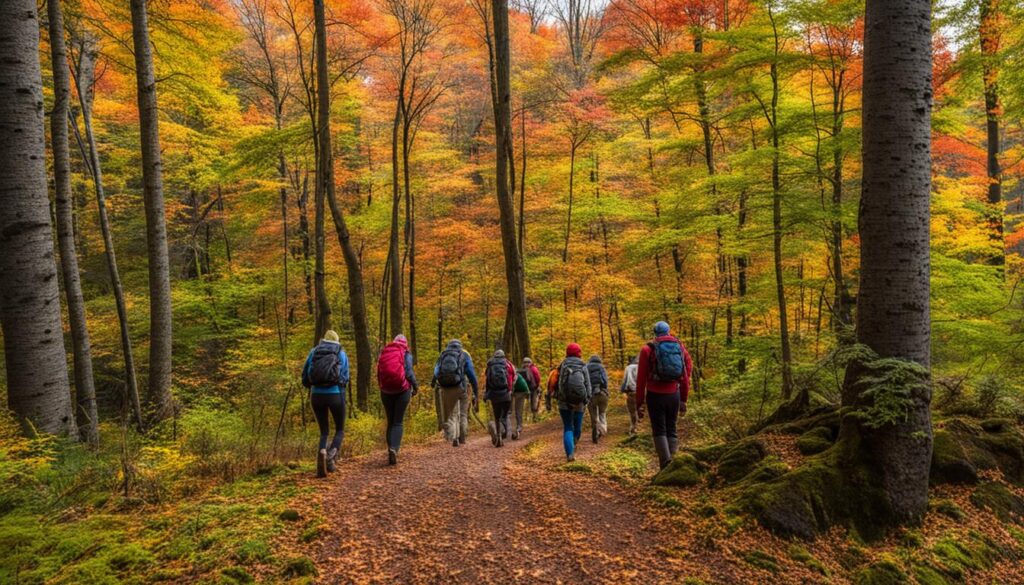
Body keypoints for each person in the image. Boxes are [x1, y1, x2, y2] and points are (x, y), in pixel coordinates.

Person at [636, 321, 693, 469]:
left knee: (659, 429)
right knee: (671, 429)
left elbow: (641, 379)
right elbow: (686, 374)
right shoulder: (680, 347)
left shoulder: (647, 349)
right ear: (669, 331)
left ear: (655, 333)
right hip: (674, 394)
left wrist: (639, 403)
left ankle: (665, 465)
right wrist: (683, 399)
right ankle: (674, 467)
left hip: (654, 395)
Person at [302, 330, 350, 477]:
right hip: (336, 394)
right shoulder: (340, 352)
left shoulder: (314, 351)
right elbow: (345, 375)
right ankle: (330, 456)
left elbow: (305, 375)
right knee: (340, 429)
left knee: (324, 431)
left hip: (316, 395)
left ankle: (321, 458)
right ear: (337, 340)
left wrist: (313, 387)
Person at [377, 334, 419, 465]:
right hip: (402, 390)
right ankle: (394, 449)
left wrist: (381, 386)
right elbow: (409, 373)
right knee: (398, 422)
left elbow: (378, 372)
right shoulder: (406, 354)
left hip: (385, 391)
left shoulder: (385, 352)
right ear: (405, 344)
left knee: (390, 421)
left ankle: (390, 449)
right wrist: (415, 386)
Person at [431, 339, 479, 447]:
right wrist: (475, 389)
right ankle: (462, 437)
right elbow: (471, 374)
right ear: (460, 346)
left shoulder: (443, 354)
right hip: (461, 387)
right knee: (463, 414)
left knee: (452, 414)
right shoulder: (464, 355)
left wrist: (433, 382)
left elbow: (436, 370)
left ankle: (454, 438)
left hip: (447, 388)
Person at [555, 343, 591, 462]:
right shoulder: (583, 365)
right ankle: (574, 442)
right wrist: (587, 399)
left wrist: (563, 398)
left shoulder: (563, 365)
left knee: (568, 427)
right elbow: (587, 384)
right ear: (579, 353)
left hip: (564, 402)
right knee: (577, 427)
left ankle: (570, 453)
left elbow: (560, 384)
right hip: (580, 402)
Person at [483, 349, 516, 447]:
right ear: (503, 355)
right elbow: (514, 377)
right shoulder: (508, 364)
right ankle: (504, 432)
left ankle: (499, 437)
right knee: (504, 415)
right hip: (506, 393)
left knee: (497, 417)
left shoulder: (490, 364)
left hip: (494, 394)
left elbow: (487, 380)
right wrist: (510, 390)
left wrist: (486, 393)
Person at [586, 355, 609, 444]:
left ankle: (595, 427)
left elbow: (585, 381)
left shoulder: (586, 367)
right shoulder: (601, 367)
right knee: (602, 413)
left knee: (593, 415)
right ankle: (602, 430)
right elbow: (605, 381)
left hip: (591, 395)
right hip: (602, 393)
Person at [620, 355, 640, 435]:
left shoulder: (628, 368)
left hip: (631, 392)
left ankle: (634, 428)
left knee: (632, 411)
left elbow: (625, 380)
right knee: (640, 410)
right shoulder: (642, 366)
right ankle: (637, 427)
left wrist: (622, 390)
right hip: (641, 391)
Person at [510, 368, 530, 440]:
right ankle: (517, 428)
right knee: (516, 411)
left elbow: (512, 387)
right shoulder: (515, 374)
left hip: (521, 392)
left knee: (516, 411)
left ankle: (518, 428)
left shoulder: (513, 376)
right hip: (521, 391)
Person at [522, 357, 542, 422]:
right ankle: (535, 417)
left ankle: (525, 419)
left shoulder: (522, 369)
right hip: (533, 388)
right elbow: (538, 378)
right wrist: (538, 385)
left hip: (524, 389)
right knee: (534, 402)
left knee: (525, 403)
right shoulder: (533, 368)